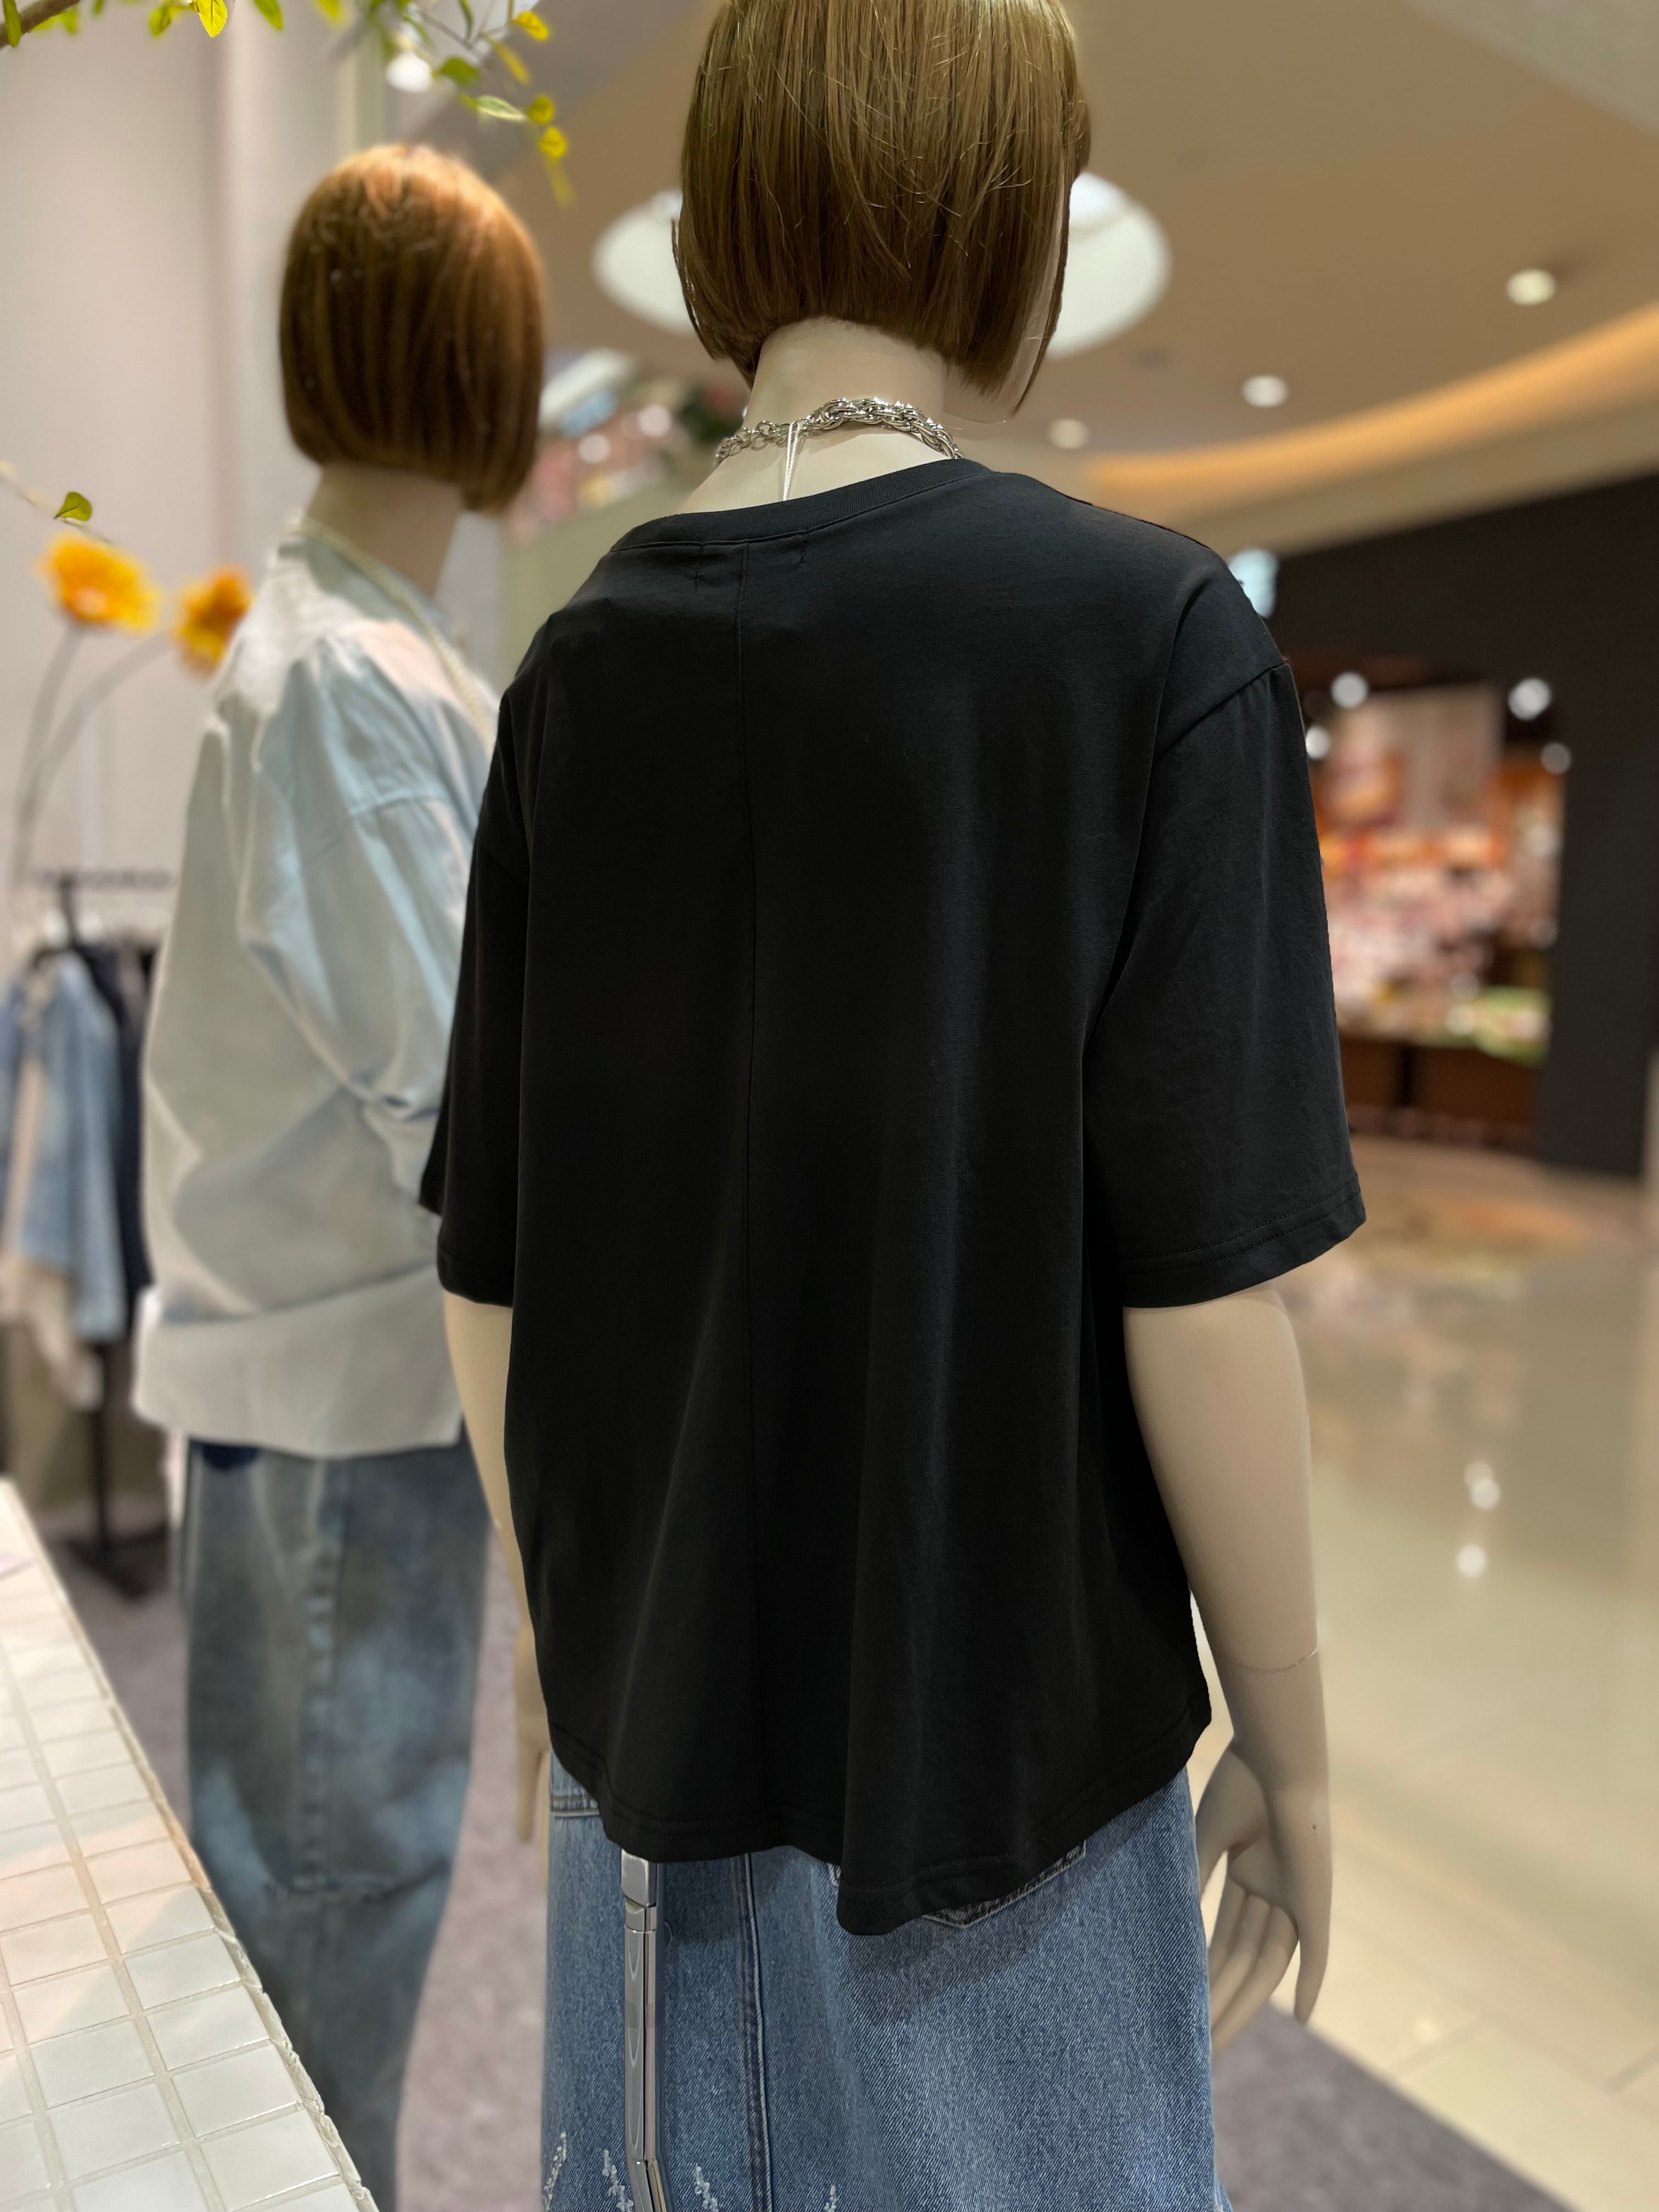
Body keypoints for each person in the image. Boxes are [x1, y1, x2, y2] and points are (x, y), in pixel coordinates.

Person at [431, 2, 1361, 2205]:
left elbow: (490, 1273)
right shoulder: (1147, 644)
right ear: (1015, 222)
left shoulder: (575, 672)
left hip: (646, 1772)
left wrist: (569, 1634)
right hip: (1001, 1806)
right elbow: (1202, 1291)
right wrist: (1297, 1740)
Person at [136, 144, 544, 2210]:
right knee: (326, 1917)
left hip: (348, 1392)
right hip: (345, 1407)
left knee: (330, 1898)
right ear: (488, 373)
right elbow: (468, 1109)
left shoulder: (371, 652)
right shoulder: (346, 683)